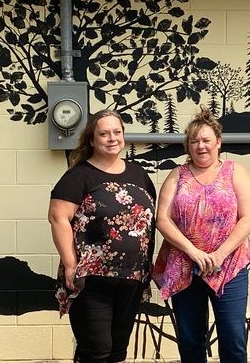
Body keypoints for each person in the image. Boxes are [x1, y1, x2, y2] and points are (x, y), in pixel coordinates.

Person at [48, 109, 156, 363]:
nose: (112, 138)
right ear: (91, 139)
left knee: (118, 352)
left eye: (117, 132)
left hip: (131, 277)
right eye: (104, 133)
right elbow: (58, 218)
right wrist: (70, 264)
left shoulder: (139, 174)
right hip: (91, 279)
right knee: (96, 351)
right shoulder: (79, 176)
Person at [153, 106, 250, 363]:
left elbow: (249, 218)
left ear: (218, 142)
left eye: (206, 140)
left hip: (229, 266)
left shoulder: (236, 172)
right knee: (190, 340)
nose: (201, 146)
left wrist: (220, 254)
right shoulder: (177, 175)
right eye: (194, 141)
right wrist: (193, 252)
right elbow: (162, 219)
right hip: (185, 266)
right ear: (188, 145)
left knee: (232, 337)